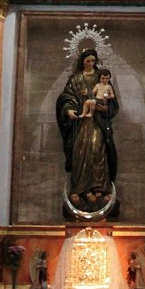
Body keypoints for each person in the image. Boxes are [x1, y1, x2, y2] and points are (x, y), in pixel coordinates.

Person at [56, 48, 119, 210]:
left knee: (97, 150)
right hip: (81, 123)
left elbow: (111, 100)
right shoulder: (75, 79)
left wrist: (104, 107)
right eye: (88, 61)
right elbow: (66, 97)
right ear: (82, 61)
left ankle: (100, 188)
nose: (91, 63)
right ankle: (79, 189)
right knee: (80, 152)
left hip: (97, 122)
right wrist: (69, 110)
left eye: (93, 60)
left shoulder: (102, 77)